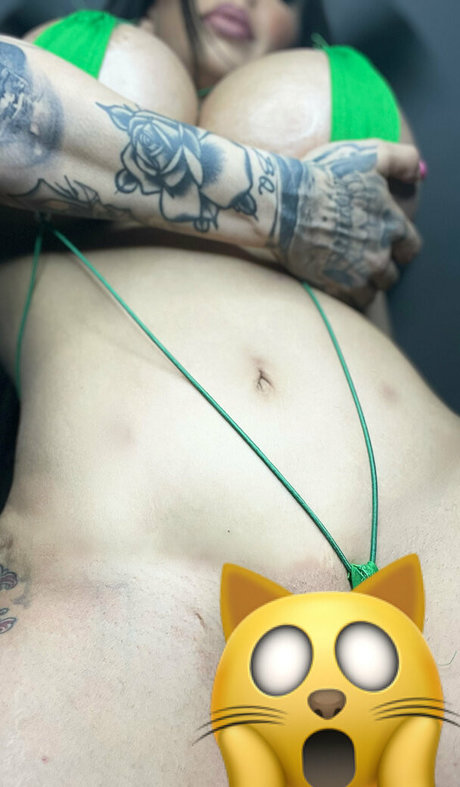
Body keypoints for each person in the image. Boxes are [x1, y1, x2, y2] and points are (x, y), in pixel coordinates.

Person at [0, 1, 458, 784]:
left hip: (429, 526)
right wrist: (286, 202)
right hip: (122, 571)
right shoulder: (70, 42)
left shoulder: (340, 86)